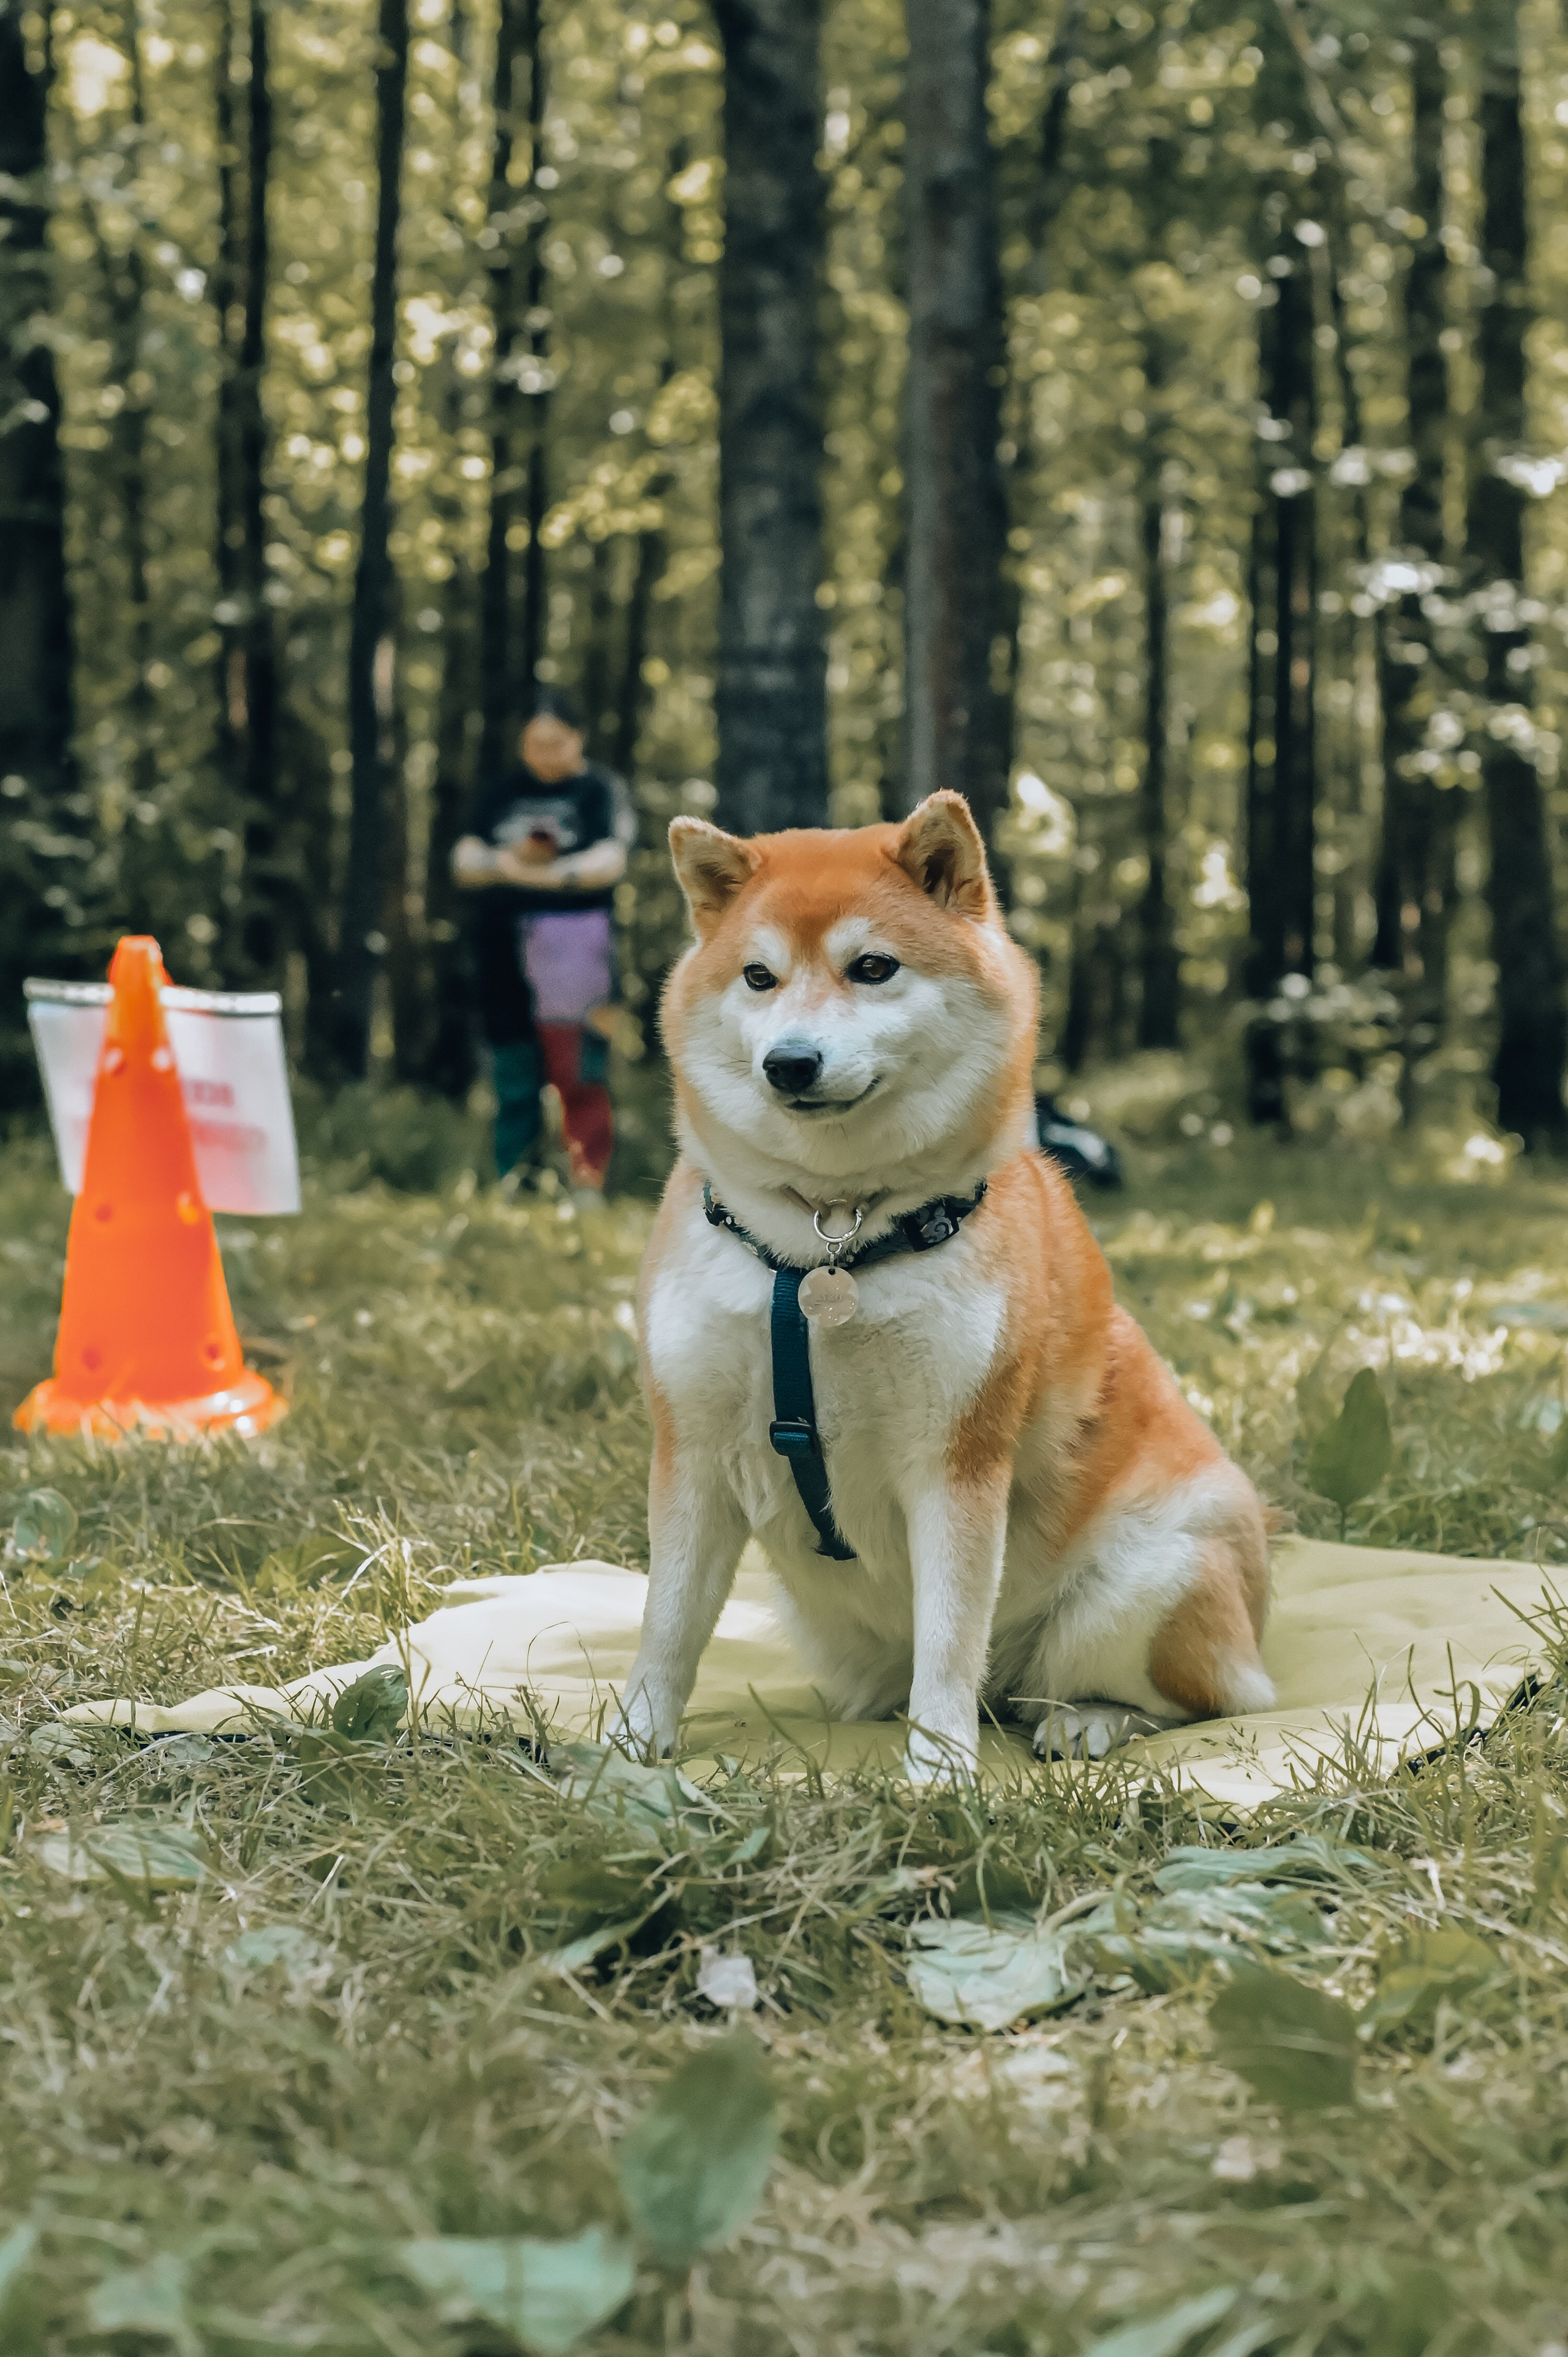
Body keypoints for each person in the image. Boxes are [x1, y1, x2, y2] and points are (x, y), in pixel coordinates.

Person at [452, 691, 636, 1194]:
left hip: (578, 950)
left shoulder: (600, 790)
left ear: (578, 740)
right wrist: (511, 866)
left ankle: (586, 1185)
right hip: (502, 947)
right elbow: (464, 859)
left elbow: (609, 862)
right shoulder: (503, 791)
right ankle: (516, 1180)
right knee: (513, 1068)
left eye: (556, 743)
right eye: (535, 743)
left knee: (580, 1070)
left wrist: (531, 874)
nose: (545, 754)